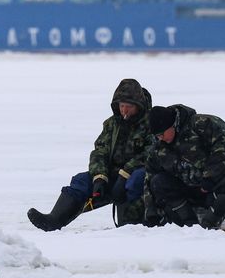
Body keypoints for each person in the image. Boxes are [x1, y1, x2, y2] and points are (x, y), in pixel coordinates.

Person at [27, 78, 154, 231]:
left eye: (128, 107)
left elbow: (151, 153)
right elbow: (100, 151)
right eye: (122, 106)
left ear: (138, 106)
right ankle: (54, 220)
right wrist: (99, 177)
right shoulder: (111, 124)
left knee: (133, 182)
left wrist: (125, 174)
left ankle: (130, 226)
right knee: (81, 181)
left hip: (138, 175)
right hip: (113, 174)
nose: (124, 111)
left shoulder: (151, 123)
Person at [144, 104, 225, 231]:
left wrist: (210, 177)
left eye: (162, 134)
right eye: (157, 136)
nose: (161, 139)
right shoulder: (159, 146)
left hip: (220, 182)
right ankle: (189, 225)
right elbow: (150, 176)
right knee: (158, 182)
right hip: (190, 188)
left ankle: (214, 223)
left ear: (172, 125)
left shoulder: (204, 124)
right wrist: (150, 210)